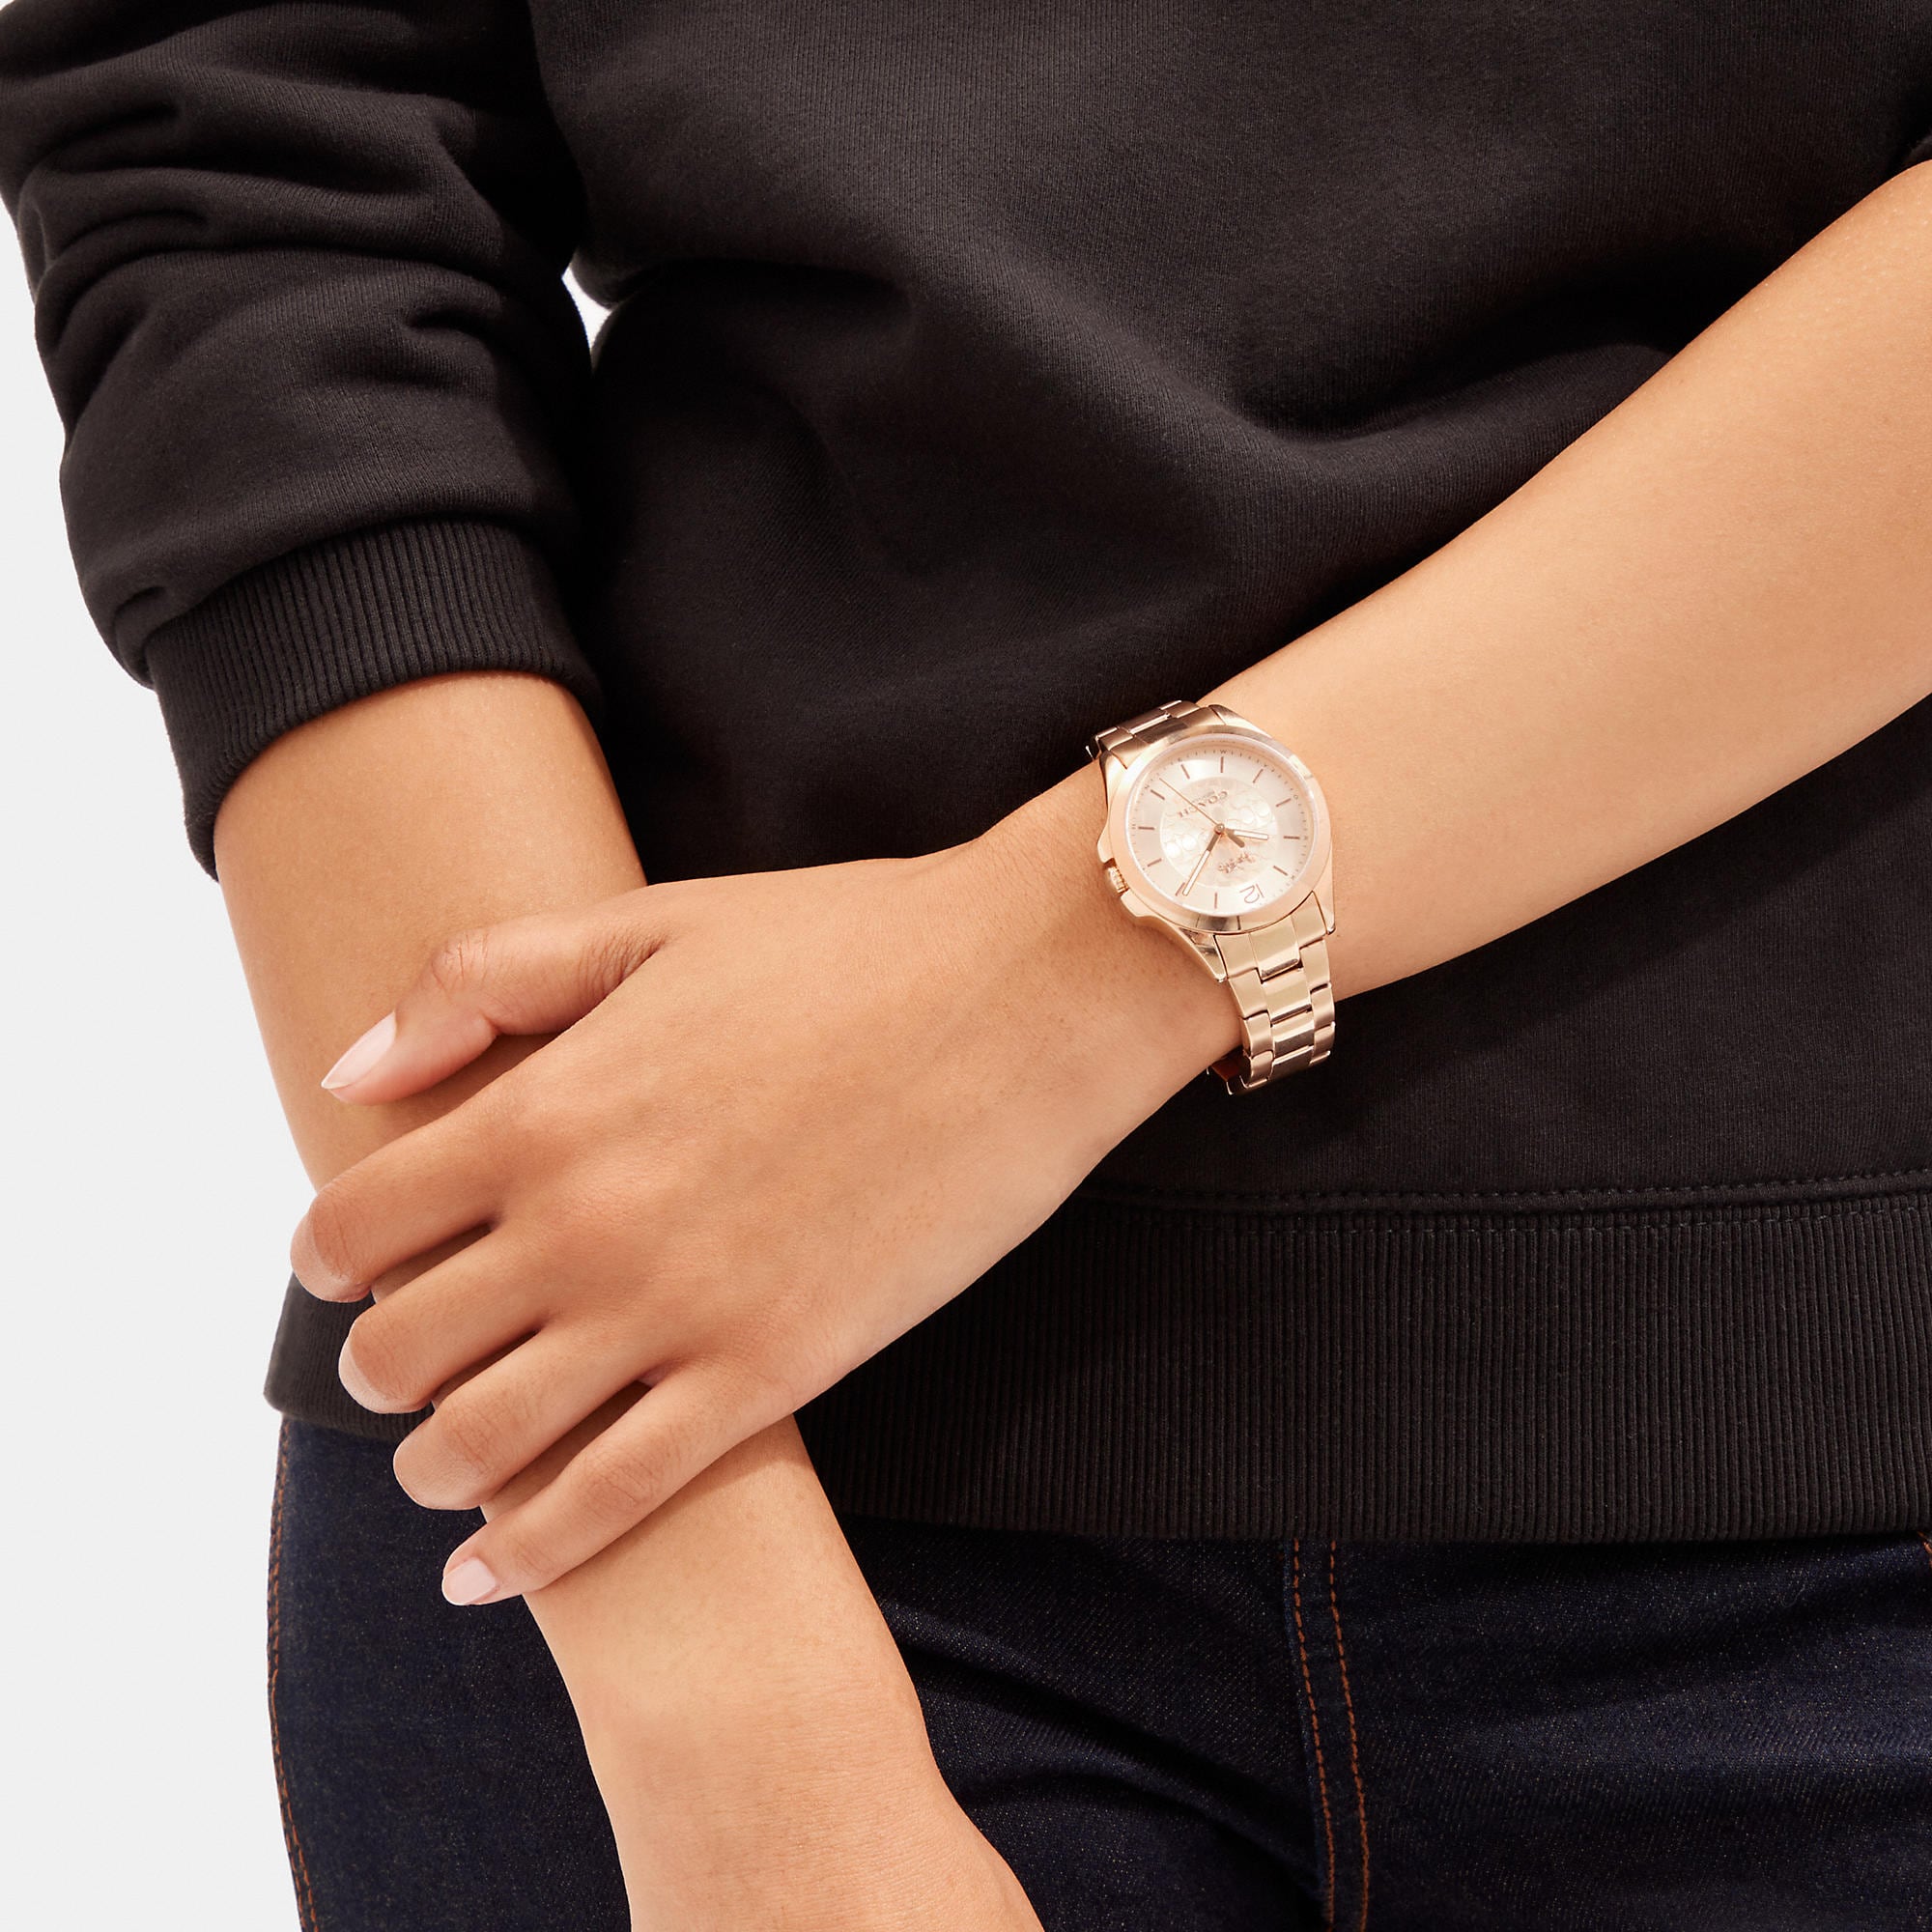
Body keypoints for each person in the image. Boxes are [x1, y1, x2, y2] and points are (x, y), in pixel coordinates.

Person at [5, 3, 1932, 1925]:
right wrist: (740, 1718)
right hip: (688, 1473)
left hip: (1842, 1490)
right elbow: (243, 148)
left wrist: (1057, 976)